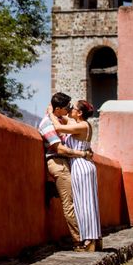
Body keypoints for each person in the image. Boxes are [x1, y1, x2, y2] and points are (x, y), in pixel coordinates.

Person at [38, 92, 93, 250]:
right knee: (69, 204)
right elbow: (59, 149)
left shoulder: (59, 119)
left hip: (66, 163)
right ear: (59, 108)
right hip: (58, 163)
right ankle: (79, 242)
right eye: (67, 106)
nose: (70, 109)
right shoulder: (47, 123)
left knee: (76, 201)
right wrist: (82, 154)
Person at [49, 100, 101, 252]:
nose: (70, 109)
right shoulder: (84, 125)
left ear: (80, 113)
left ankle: (89, 241)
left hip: (79, 165)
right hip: (86, 164)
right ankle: (95, 239)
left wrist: (52, 113)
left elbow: (58, 127)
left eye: (73, 108)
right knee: (90, 202)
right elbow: (66, 120)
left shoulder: (81, 126)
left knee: (83, 204)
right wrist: (58, 111)